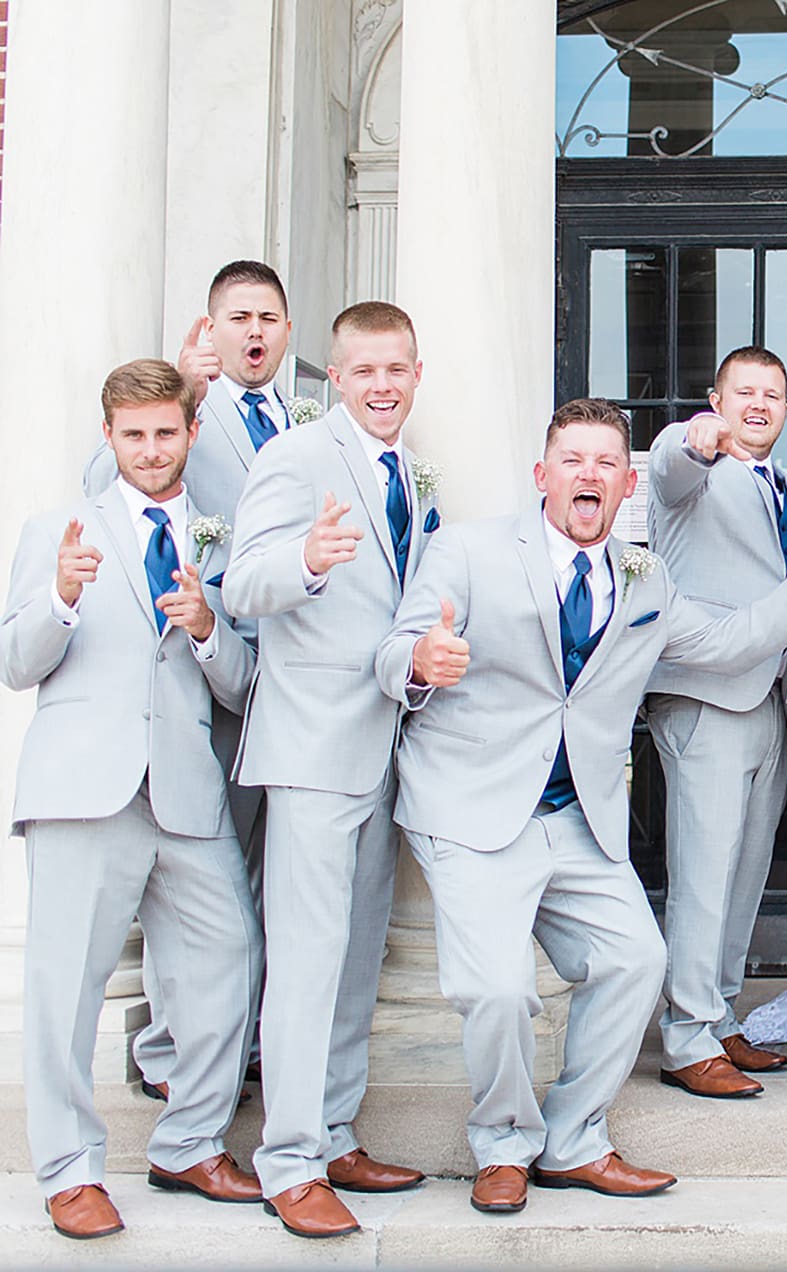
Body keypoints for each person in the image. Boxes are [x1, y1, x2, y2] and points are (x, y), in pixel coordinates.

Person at [377, 397, 787, 1215]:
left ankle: (572, 1140)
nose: (589, 475)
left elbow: (716, 645)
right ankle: (502, 1144)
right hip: (471, 808)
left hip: (578, 817)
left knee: (639, 961)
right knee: (497, 989)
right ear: (543, 475)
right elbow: (396, 653)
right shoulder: (466, 551)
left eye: (606, 462)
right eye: (573, 460)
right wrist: (423, 660)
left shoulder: (645, 576)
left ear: (626, 481)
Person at [3, 360, 262, 1238]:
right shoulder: (55, 531)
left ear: (191, 432)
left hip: (186, 789)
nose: (151, 450)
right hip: (83, 788)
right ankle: (70, 1170)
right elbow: (15, 663)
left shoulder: (224, 545)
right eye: (133, 435)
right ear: (109, 437)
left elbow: (242, 686)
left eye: (165, 432)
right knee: (65, 986)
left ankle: (189, 1143)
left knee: (231, 956)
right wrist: (61, 598)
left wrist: (206, 629)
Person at [223, 301, 440, 1237]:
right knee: (307, 965)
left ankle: (336, 1129)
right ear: (334, 380)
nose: (383, 387)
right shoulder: (297, 458)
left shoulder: (415, 480)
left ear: (415, 374)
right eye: (365, 373)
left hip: (385, 748)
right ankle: (290, 1160)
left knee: (354, 961)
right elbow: (238, 584)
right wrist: (307, 562)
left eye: (397, 370)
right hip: (312, 750)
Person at [83, 260, 294, 1102]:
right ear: (210, 329)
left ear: (287, 330)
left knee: (274, 884)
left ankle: (243, 1039)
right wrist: (187, 396)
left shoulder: (308, 414)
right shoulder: (174, 416)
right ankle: (173, 1055)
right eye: (236, 316)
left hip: (300, 684)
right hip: (212, 687)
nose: (253, 331)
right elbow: (105, 497)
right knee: (200, 883)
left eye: (268, 317)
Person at [646, 347, 787, 1098]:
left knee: (745, 873)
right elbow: (671, 464)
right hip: (707, 694)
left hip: (770, 692)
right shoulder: (692, 475)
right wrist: (694, 438)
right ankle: (684, 1037)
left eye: (773, 394)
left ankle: (718, 1015)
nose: (759, 405)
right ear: (716, 398)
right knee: (703, 874)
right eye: (744, 392)